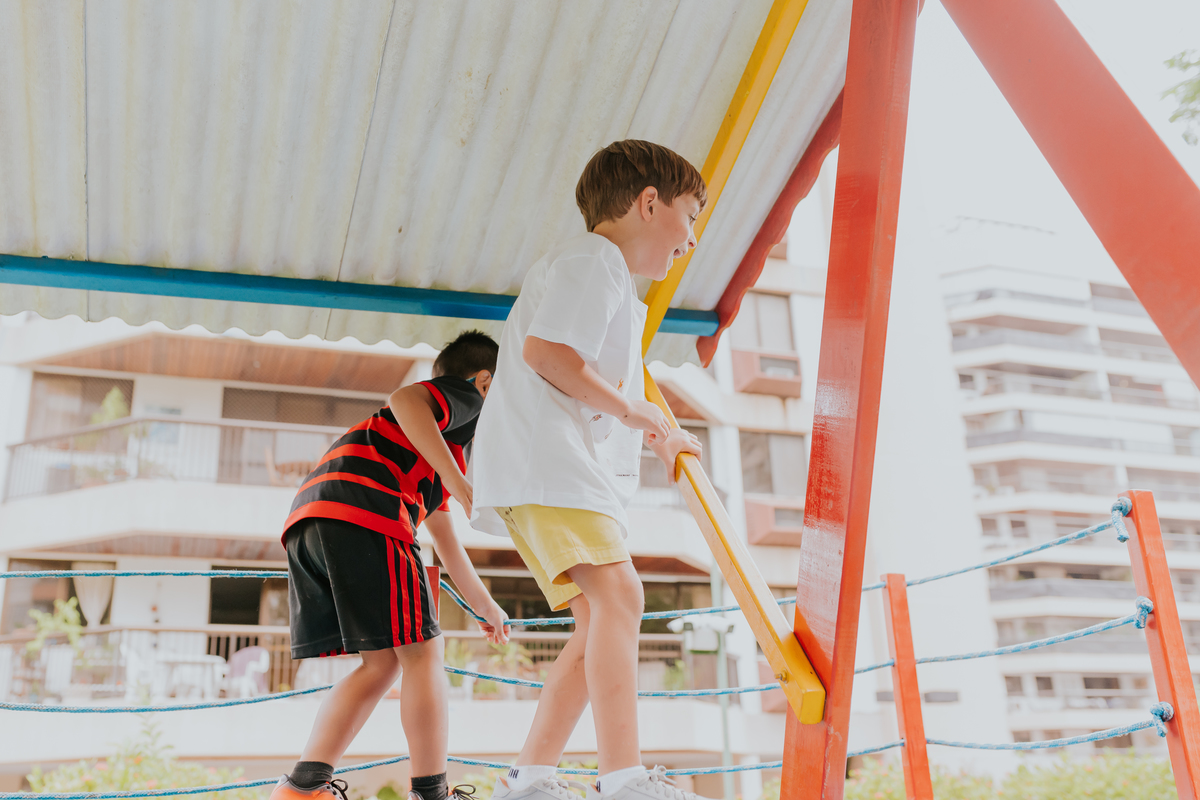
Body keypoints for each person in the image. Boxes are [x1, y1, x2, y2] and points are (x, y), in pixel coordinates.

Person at [471, 140, 708, 800]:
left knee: (599, 619)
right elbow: (551, 355)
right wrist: (636, 414)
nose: (689, 241)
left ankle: (530, 778)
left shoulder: (604, 282)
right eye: (688, 216)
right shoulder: (596, 259)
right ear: (649, 202)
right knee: (622, 597)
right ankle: (624, 778)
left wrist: (658, 430)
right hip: (546, 462)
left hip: (546, 465)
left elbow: (607, 383)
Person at [270, 330, 511, 800]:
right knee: (424, 654)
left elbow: (445, 543)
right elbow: (405, 398)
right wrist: (456, 478)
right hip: (367, 512)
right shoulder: (462, 399)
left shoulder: (436, 449)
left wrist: (487, 606)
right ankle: (431, 793)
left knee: (382, 664)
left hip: (312, 521)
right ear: (485, 382)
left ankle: (303, 788)